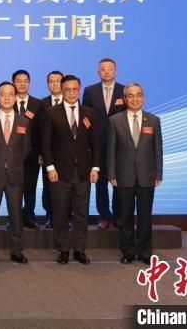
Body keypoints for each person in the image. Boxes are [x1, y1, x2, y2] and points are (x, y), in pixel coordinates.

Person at [43, 75, 100, 265]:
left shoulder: (89, 112)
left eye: (75, 89)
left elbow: (96, 143)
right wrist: (50, 167)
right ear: (62, 90)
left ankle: (79, 250)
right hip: (59, 172)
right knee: (60, 213)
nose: (71, 93)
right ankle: (63, 250)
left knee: (82, 213)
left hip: (83, 172)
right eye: (67, 89)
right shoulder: (51, 112)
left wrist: (95, 167)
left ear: (80, 89)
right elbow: (46, 144)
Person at [107, 83, 163, 265]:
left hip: (147, 175)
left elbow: (158, 149)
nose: (134, 99)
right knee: (125, 216)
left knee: (145, 216)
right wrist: (112, 174)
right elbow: (111, 150)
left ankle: (145, 252)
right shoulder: (115, 120)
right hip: (124, 175)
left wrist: (158, 173)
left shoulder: (154, 120)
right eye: (130, 95)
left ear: (143, 97)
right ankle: (128, 251)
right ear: (125, 99)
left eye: (138, 95)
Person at [0, 82, 31, 264]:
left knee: (16, 216)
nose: (7, 97)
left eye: (11, 94)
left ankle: (16, 251)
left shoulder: (24, 121)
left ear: (16, 97)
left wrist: (13, 163)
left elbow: (26, 149)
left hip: (15, 176)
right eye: (3, 94)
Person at [82, 58, 126, 230]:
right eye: (103, 69)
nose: (106, 71)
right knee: (100, 184)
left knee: (118, 183)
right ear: (98, 71)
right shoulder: (90, 91)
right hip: (97, 144)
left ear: (116, 71)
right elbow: (84, 116)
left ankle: (118, 216)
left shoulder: (124, 90)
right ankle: (104, 216)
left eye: (110, 68)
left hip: (120, 145)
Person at [12, 69, 45, 229]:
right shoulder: (7, 101)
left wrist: (41, 153)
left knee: (30, 188)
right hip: (12, 155)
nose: (22, 84)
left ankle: (29, 216)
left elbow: (42, 131)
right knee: (14, 189)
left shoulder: (38, 104)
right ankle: (15, 219)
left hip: (33, 154)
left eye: (25, 81)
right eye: (19, 81)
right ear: (14, 83)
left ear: (29, 83)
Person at [40, 70, 64, 228]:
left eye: (58, 81)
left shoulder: (72, 101)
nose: (55, 84)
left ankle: (66, 217)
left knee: (67, 187)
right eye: (51, 81)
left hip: (68, 154)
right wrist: (41, 153)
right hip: (48, 154)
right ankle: (50, 216)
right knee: (48, 187)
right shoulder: (41, 103)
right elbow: (39, 131)